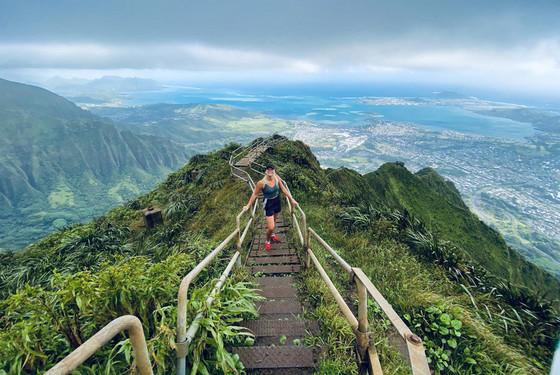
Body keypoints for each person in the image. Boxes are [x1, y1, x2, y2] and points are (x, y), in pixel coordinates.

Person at [243, 163, 298, 251]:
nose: (270, 171)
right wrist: (248, 205)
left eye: (271, 169)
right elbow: (255, 194)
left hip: (277, 201)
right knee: (271, 227)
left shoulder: (277, 178)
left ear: (274, 170)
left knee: (274, 220)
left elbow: (283, 189)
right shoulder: (261, 183)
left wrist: (292, 199)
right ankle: (267, 241)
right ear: (265, 171)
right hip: (268, 203)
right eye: (268, 169)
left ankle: (272, 235)